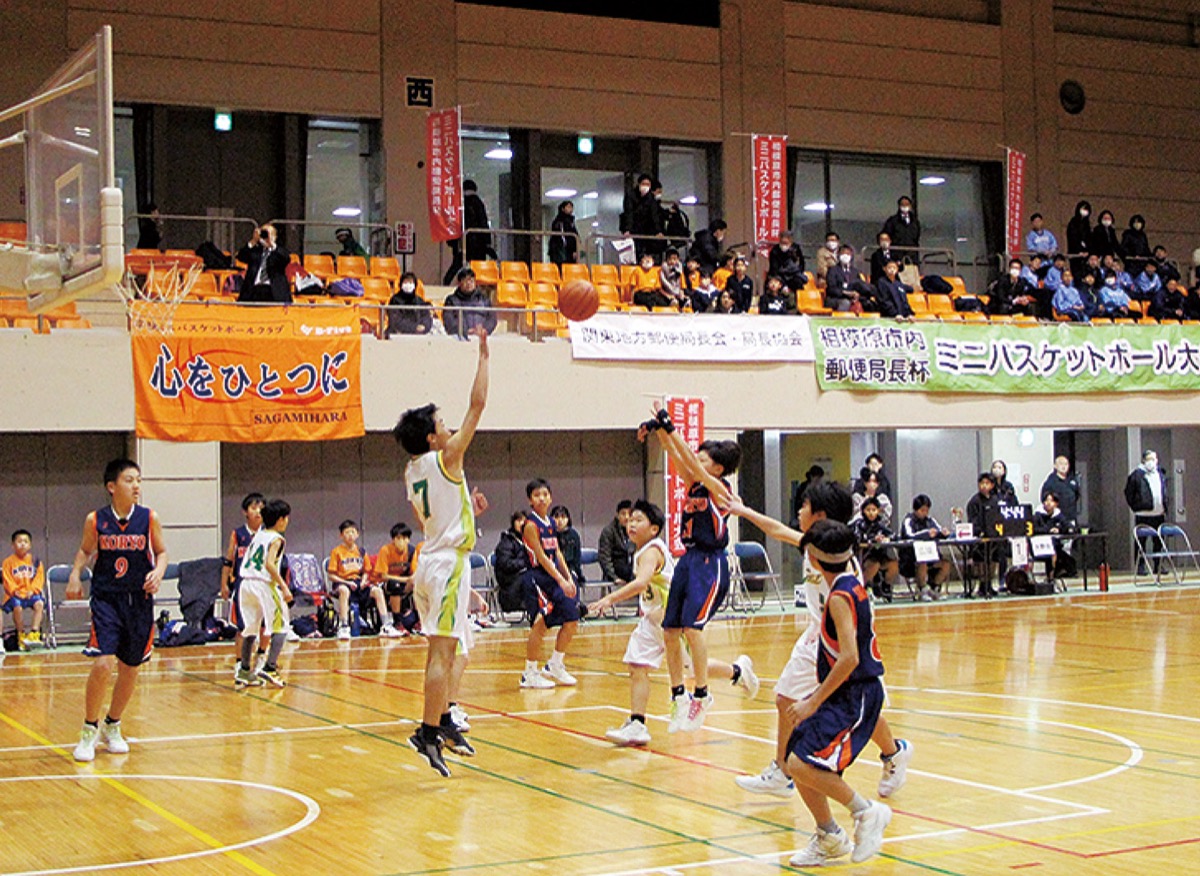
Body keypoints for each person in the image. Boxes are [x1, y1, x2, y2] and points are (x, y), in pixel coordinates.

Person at [729, 482, 910, 801]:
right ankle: (784, 771)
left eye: (804, 506)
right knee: (786, 698)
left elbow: (854, 609)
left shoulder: (840, 560)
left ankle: (893, 753)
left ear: (821, 515)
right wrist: (742, 511)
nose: (798, 511)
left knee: (856, 708)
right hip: (815, 634)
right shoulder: (812, 545)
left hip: (841, 640)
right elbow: (776, 530)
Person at [395, 330, 489, 776]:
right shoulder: (448, 457)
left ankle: (445, 717)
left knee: (455, 652)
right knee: (441, 654)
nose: (449, 427)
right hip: (447, 565)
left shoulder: (411, 471)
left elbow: (425, 522)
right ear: (434, 439)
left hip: (433, 559)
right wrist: (484, 356)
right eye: (442, 424)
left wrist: (468, 509)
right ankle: (427, 731)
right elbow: (478, 406)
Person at [590, 500, 757, 746]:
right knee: (637, 665)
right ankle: (637, 724)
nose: (631, 524)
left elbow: (641, 583)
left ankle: (738, 672)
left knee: (694, 669)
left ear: (654, 529)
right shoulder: (642, 550)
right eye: (630, 520)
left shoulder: (652, 551)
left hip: (672, 621)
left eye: (638, 520)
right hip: (652, 620)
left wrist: (610, 598)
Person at [784, 519, 892, 867]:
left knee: (802, 761)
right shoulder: (850, 582)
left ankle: (866, 812)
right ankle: (829, 836)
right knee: (794, 756)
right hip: (846, 692)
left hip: (856, 694)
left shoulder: (840, 598)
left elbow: (849, 657)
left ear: (813, 561)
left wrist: (812, 701)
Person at [639, 405, 738, 732]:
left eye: (705, 458)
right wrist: (659, 430)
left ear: (718, 467)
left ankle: (703, 694)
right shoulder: (694, 483)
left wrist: (670, 424)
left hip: (711, 564)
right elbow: (675, 455)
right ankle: (678, 694)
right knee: (670, 630)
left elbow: (691, 462)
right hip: (689, 559)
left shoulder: (720, 490)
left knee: (693, 629)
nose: (697, 459)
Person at [68, 458, 168, 762]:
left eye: (138, 480)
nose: (136, 485)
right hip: (107, 599)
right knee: (102, 664)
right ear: (112, 487)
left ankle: (113, 724)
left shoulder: (149, 518)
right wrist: (75, 574)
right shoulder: (95, 520)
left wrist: (159, 572)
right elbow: (86, 550)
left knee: (130, 667)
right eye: (129, 480)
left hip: (138, 602)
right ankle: (88, 729)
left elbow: (161, 552)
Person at [519, 478, 580, 689]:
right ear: (530, 501)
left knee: (572, 618)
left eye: (545, 494)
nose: (542, 498)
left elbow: (557, 553)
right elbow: (542, 557)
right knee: (540, 624)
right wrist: (561, 580)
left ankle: (555, 663)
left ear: (551, 497)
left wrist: (568, 577)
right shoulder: (530, 525)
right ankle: (529, 672)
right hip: (537, 578)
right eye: (537, 495)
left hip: (554, 577)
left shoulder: (551, 523)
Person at [235, 498, 292, 688]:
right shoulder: (277, 539)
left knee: (250, 628)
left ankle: (244, 670)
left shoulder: (258, 535)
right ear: (281, 519)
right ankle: (270, 667)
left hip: (245, 584)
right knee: (282, 626)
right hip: (262, 584)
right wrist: (284, 586)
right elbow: (269, 564)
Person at [328, 520, 402, 640]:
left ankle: (386, 625)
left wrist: (364, 580)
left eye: (353, 532)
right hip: (342, 582)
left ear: (357, 534)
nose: (350, 535)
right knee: (344, 591)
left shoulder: (361, 551)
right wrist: (346, 582)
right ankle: (344, 627)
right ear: (341, 535)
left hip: (358, 583)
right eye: (347, 532)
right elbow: (331, 575)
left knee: (377, 591)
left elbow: (367, 571)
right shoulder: (336, 552)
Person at [221, 492, 264, 679]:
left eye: (261, 507)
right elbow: (228, 561)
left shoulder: (268, 534)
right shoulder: (238, 534)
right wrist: (224, 584)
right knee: (242, 627)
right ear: (245, 512)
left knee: (263, 627)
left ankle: (260, 662)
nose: (258, 511)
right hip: (242, 586)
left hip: (262, 586)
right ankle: (239, 663)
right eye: (254, 507)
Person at [899, 495, 952, 601]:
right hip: (911, 559)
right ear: (915, 509)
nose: (925, 513)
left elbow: (938, 530)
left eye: (927, 510)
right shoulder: (908, 520)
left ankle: (934, 588)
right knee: (922, 563)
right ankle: (922, 589)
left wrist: (943, 533)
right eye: (922, 510)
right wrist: (927, 534)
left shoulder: (930, 520)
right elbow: (909, 536)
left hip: (931, 556)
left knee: (946, 564)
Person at [1125, 449, 1168, 576]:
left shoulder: (1160, 473)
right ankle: (1140, 567)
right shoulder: (1136, 475)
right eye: (1149, 459)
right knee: (1141, 542)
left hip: (1158, 514)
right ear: (1144, 460)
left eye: (1154, 459)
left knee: (1158, 542)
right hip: (1143, 514)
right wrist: (1136, 506)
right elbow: (1128, 493)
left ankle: (1158, 565)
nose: (1152, 462)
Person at [442, 179, 495, 284]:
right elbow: (483, 223)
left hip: (461, 241)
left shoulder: (458, 203)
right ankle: (476, 285)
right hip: (478, 243)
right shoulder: (478, 203)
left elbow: (452, 222)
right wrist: (487, 243)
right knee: (478, 267)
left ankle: (446, 282)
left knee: (457, 264)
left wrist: (452, 242)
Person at [849, 498, 900, 601]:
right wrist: (872, 539)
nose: (871, 513)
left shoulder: (880, 526)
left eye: (874, 510)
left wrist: (887, 539)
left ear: (878, 511)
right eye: (868, 510)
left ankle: (885, 587)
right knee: (874, 565)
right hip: (864, 557)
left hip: (881, 556)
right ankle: (865, 586)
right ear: (863, 511)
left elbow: (895, 536)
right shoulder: (859, 524)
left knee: (894, 564)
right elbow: (857, 538)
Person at [3, 529, 45, 650]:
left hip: (30, 593)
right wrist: (15, 590)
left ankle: (34, 634)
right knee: (17, 607)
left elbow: (39, 578)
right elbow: (7, 579)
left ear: (30, 545)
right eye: (19, 541)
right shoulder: (8, 562)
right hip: (15, 595)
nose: (22, 544)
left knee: (39, 604)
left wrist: (33, 590)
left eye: (26, 541)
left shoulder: (35, 561)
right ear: (13, 545)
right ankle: (20, 635)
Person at [373, 523, 417, 634]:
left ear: (408, 540)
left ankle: (419, 620)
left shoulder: (411, 551)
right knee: (394, 585)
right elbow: (383, 576)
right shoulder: (386, 550)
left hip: (405, 583)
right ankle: (397, 622)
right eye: (398, 538)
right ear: (393, 540)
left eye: (404, 538)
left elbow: (414, 573)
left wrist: (410, 581)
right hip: (386, 584)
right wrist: (404, 580)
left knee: (419, 585)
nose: (401, 541)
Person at [966, 472, 1002, 598]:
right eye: (982, 483)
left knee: (993, 559)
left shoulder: (995, 500)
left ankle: (989, 583)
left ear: (992, 485)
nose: (984, 486)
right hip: (979, 537)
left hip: (993, 536)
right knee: (981, 559)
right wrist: (980, 531)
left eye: (987, 483)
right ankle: (982, 585)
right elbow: (973, 521)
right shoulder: (974, 501)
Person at [237, 224, 292, 304]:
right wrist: (253, 241)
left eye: (268, 234)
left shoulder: (278, 252)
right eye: (264, 233)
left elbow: (286, 259)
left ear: (275, 237)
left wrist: (272, 244)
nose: (266, 237)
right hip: (254, 289)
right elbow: (241, 256)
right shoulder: (255, 251)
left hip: (273, 291)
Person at [493, 510, 531, 615]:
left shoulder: (531, 540)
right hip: (510, 582)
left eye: (524, 521)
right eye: (519, 520)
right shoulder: (506, 542)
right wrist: (525, 563)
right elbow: (505, 564)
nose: (522, 523)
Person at [442, 267, 498, 339]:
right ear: (459, 283)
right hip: (460, 337)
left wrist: (484, 330)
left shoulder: (484, 299)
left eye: (471, 281)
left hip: (482, 335)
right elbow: (449, 321)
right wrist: (466, 331)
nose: (469, 284)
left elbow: (492, 319)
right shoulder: (451, 301)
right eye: (465, 281)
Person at [621, 173, 666, 261]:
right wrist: (627, 229)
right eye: (643, 184)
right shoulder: (631, 195)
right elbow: (628, 213)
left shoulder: (650, 198)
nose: (645, 186)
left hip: (645, 228)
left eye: (648, 184)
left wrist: (658, 231)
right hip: (633, 227)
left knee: (647, 248)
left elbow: (654, 215)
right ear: (639, 184)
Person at [824, 245, 873, 312]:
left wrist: (857, 295)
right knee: (845, 303)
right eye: (843, 253)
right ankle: (840, 321)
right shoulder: (833, 270)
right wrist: (846, 293)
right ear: (838, 255)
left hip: (852, 298)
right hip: (835, 298)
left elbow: (860, 286)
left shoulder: (855, 271)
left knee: (868, 303)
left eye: (848, 254)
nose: (845, 256)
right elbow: (831, 289)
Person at [598, 501, 634, 588]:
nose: (627, 517)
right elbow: (604, 558)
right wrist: (614, 577)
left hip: (633, 569)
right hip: (617, 569)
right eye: (623, 514)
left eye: (629, 514)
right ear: (617, 515)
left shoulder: (635, 530)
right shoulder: (608, 531)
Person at [1040, 456, 1081, 530]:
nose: (1064, 466)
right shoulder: (1050, 482)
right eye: (1061, 464)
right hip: (1056, 519)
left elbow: (1077, 495)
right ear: (1055, 466)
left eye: (1066, 464)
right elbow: (1044, 499)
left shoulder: (1072, 480)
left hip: (1071, 518)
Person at [550, 504, 584, 588]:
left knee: (572, 585)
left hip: (570, 569)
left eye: (563, 517)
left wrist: (579, 575)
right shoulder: (548, 534)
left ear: (568, 519)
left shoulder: (574, 535)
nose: (560, 520)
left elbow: (576, 559)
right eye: (556, 517)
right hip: (552, 570)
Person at [881, 195, 920, 264]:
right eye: (903, 204)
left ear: (910, 206)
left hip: (912, 256)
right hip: (896, 256)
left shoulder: (915, 222)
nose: (905, 206)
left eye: (907, 204)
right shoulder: (892, 221)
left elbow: (916, 237)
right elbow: (886, 235)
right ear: (899, 206)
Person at [1065, 200, 1091, 278]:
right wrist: (1078, 250)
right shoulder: (1073, 222)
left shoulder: (1087, 224)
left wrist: (1088, 251)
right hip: (1075, 253)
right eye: (1083, 209)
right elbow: (1072, 238)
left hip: (1086, 255)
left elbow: (1089, 238)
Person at [548, 200, 578, 266]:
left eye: (571, 207)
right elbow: (563, 237)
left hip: (568, 251)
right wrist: (572, 249)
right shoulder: (559, 221)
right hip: (561, 252)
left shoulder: (571, 221)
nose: (571, 209)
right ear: (563, 208)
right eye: (568, 207)